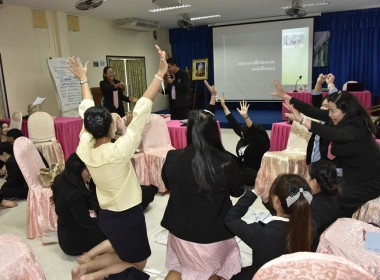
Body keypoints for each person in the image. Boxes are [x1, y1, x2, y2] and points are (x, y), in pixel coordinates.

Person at [67, 44, 167, 280]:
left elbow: (86, 112)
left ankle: (83, 269)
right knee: (138, 262)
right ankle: (90, 277)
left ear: (89, 129)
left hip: (106, 216)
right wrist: (160, 74)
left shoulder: (84, 148)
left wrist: (83, 80)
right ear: (111, 126)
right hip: (128, 214)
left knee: (123, 251)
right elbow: (142, 107)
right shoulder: (121, 149)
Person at [271, 79, 380, 217]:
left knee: (326, 206)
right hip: (352, 176)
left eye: (332, 111)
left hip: (367, 182)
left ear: (345, 111)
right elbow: (312, 111)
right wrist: (286, 97)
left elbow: (335, 134)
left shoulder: (356, 127)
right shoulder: (341, 118)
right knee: (319, 199)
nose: (329, 115)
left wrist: (301, 120)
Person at [161, 109, 245, 280]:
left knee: (180, 268)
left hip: (180, 233)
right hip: (213, 237)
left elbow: (168, 184)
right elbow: (238, 191)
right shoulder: (226, 161)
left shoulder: (172, 157)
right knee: (215, 271)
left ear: (189, 130)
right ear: (215, 132)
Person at [225, 173, 312, 279]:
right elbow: (284, 216)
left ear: (276, 200)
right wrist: (267, 201)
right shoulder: (310, 226)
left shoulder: (262, 232)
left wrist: (254, 192)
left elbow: (230, 219)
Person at [204, 80, 270, 185]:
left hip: (252, 172)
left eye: (243, 133)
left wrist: (246, 117)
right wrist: (224, 107)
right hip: (242, 166)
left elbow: (254, 133)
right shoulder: (245, 136)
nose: (241, 134)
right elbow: (234, 125)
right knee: (222, 154)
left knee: (233, 174)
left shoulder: (259, 143)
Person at [51, 153, 106, 256]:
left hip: (66, 234)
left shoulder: (62, 179)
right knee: (114, 231)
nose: (90, 172)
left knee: (107, 224)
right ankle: (90, 256)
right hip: (74, 241)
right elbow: (86, 222)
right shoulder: (75, 194)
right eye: (88, 169)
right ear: (79, 170)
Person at [306, 160, 340, 251]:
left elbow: (307, 238)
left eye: (307, 177)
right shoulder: (335, 194)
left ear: (314, 182)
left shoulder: (314, 206)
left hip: (315, 249)